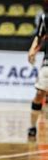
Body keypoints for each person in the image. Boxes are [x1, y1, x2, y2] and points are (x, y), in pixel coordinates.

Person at [28, 10, 47, 138]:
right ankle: (32, 126)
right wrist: (32, 50)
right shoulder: (46, 18)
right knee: (40, 94)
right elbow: (39, 36)